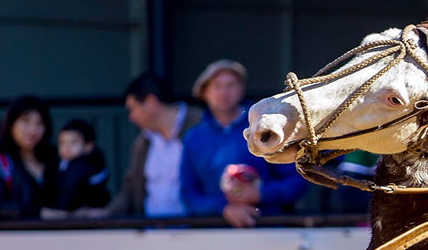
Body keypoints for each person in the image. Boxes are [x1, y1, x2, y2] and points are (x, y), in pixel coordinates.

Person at [179, 59, 306, 228]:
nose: (224, 92)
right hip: (211, 238)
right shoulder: (193, 138)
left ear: (241, 89)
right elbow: (188, 196)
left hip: (271, 233)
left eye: (230, 85)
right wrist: (224, 209)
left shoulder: (266, 127)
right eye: (217, 86)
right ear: (204, 93)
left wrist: (260, 195)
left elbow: (297, 180)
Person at [106, 72, 201, 218]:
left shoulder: (200, 128)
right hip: (150, 233)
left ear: (151, 102)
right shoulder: (143, 142)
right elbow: (131, 189)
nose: (131, 117)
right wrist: (104, 214)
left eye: (133, 108)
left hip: (200, 233)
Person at [0, 95, 58, 220]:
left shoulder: (56, 157)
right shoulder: (0, 161)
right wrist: (38, 212)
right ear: (11, 124)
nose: (33, 130)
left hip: (61, 234)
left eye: (39, 123)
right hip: (17, 235)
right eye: (26, 121)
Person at [52, 118, 111, 212]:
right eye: (62, 142)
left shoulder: (85, 167)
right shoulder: (60, 164)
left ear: (88, 146)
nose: (67, 147)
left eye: (73, 142)